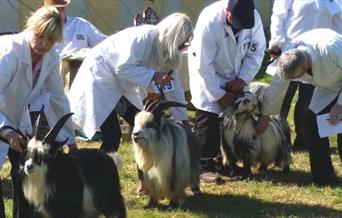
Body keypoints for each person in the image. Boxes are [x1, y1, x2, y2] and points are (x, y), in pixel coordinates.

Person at [68, 12, 193, 190]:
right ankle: (94, 182)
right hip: (100, 81)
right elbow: (123, 68)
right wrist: (154, 76)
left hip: (123, 86)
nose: (183, 48)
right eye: (182, 43)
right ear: (174, 37)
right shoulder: (143, 38)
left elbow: (174, 86)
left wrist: (184, 119)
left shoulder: (168, 52)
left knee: (145, 129)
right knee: (112, 135)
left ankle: (144, 184)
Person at [0, 6, 77, 218]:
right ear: (30, 28)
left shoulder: (51, 58)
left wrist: (70, 139)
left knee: (25, 172)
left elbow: (57, 98)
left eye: (51, 39)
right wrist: (5, 130)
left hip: (17, 116)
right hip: (3, 118)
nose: (43, 44)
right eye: (40, 36)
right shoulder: (9, 52)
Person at [188, 0, 266, 181]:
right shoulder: (210, 20)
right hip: (209, 74)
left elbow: (257, 52)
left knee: (235, 123)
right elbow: (203, 64)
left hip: (236, 76)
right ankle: (203, 165)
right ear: (227, 13)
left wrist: (242, 79)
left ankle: (226, 163)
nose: (240, 28)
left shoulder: (254, 18)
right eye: (236, 22)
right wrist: (218, 94)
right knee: (209, 119)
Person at [258, 28, 342, 186]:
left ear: (304, 68)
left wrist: (340, 105)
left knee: (341, 128)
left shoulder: (331, 47)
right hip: (328, 88)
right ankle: (322, 177)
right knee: (311, 121)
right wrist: (265, 114)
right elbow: (277, 86)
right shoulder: (290, 55)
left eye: (297, 77)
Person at [267, 0, 342, 151]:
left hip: (325, 61)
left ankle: (303, 140)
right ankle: (279, 141)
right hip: (291, 50)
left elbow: (339, 20)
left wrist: (340, 104)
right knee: (289, 104)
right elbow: (278, 15)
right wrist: (276, 42)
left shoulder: (333, 48)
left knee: (307, 106)